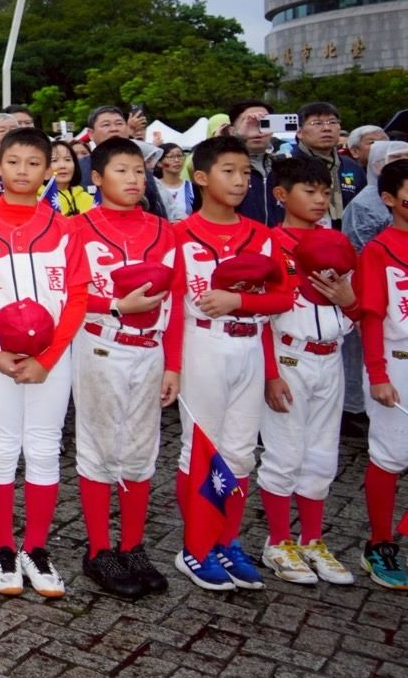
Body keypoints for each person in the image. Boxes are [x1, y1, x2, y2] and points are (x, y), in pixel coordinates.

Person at [0, 128, 87, 599]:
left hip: (49, 360)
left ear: (48, 170)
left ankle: (36, 548)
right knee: (0, 448)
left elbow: (77, 297)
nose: (23, 171)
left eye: (34, 163)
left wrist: (49, 358)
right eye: (13, 162)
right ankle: (2, 550)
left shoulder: (64, 228)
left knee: (44, 449)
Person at [171, 135, 295, 592]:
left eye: (245, 172)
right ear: (202, 177)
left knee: (241, 450)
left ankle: (227, 540)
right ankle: (195, 546)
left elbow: (282, 298)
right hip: (202, 345)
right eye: (229, 171)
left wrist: (239, 302)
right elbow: (173, 308)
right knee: (200, 449)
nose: (240, 180)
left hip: (249, 345)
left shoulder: (262, 235)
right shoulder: (179, 234)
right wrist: (172, 367)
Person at [68, 138, 179, 599]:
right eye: (121, 170)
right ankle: (98, 549)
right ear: (96, 177)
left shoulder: (163, 230)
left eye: (138, 170)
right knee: (99, 449)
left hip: (150, 349)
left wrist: (174, 364)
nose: (133, 179)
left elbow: (177, 300)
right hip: (101, 346)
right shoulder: (77, 229)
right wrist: (115, 305)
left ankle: (132, 545)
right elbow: (69, 294)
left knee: (140, 449)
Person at [254, 156, 358, 586]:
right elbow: (260, 317)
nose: (319, 200)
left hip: (330, 356)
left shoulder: (336, 242)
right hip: (288, 356)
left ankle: (312, 539)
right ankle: (278, 541)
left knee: (322, 454)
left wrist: (350, 301)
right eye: (309, 191)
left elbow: (358, 307)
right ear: (281, 195)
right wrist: (270, 372)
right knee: (284, 452)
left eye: (324, 192)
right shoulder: (268, 243)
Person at [357, 159, 408, 589]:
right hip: (397, 361)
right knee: (390, 456)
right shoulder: (378, 249)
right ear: (389, 199)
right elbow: (371, 316)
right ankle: (379, 543)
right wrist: (377, 374)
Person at [290, 102, 363, 222]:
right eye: (317, 123)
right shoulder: (288, 165)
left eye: (332, 122)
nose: (326, 128)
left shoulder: (351, 166)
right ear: (299, 132)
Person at [227, 100, 282, 226]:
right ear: (232, 131)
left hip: (279, 237)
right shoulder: (223, 168)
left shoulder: (284, 167)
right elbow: (196, 166)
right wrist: (239, 137)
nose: (256, 129)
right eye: (248, 122)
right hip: (239, 236)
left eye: (264, 122)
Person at [46, 140, 93, 217]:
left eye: (67, 159)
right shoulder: (38, 200)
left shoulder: (90, 200)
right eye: (54, 160)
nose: (62, 165)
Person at [154, 143, 193, 222]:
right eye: (171, 157)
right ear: (159, 163)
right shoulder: (154, 187)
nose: (177, 160)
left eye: (179, 156)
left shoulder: (192, 188)